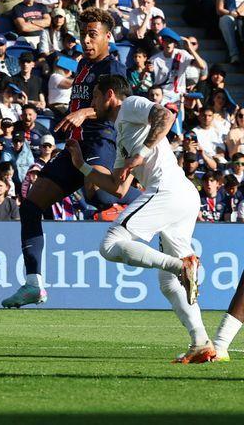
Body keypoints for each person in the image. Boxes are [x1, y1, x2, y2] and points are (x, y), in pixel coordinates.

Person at [64, 74, 212, 363]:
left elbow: (166, 116)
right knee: (169, 284)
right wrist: (81, 165)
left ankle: (181, 264)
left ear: (109, 95)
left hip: (167, 190)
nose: (93, 104)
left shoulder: (130, 104)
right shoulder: (122, 133)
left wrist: (142, 154)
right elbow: (118, 187)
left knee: (110, 244)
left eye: (95, 97)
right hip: (181, 195)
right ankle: (202, 343)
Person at [2, 7, 128, 309]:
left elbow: (119, 107)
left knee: (97, 194)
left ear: (108, 37)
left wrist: (86, 111)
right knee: (31, 204)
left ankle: (143, 197)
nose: (87, 40)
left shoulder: (113, 68)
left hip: (100, 141)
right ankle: (33, 284)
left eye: (93, 34)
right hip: (75, 147)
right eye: (84, 34)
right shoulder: (83, 64)